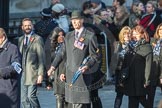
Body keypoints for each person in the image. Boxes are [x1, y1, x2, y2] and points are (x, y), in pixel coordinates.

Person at [48, 10, 100, 108]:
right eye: (73, 20)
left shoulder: (89, 35)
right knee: (72, 104)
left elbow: (95, 56)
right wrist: (53, 67)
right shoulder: (68, 36)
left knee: (81, 104)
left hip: (82, 76)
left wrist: (87, 66)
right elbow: (62, 54)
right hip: (70, 77)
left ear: (82, 20)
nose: (75, 22)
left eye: (77, 20)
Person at [18, 18, 45, 108]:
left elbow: (41, 57)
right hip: (22, 74)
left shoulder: (38, 39)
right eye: (25, 26)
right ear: (22, 27)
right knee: (23, 99)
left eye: (29, 25)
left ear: (32, 26)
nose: (27, 27)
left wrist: (40, 74)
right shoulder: (20, 39)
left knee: (31, 96)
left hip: (33, 72)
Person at [124, 25, 152, 108]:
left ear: (142, 34)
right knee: (132, 100)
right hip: (130, 78)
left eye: (136, 33)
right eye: (133, 33)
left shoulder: (147, 47)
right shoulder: (130, 46)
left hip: (140, 79)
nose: (134, 35)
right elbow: (125, 63)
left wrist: (147, 81)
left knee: (142, 99)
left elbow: (148, 66)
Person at [0, 28, 21, 108]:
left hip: (9, 90)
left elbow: (17, 67)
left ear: (3, 37)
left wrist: (1, 72)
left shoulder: (13, 48)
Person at [47, 27, 68, 108]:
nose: (61, 37)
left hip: (64, 72)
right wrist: (48, 81)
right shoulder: (52, 48)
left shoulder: (66, 46)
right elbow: (49, 63)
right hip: (55, 75)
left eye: (63, 35)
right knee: (59, 96)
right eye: (59, 35)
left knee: (65, 97)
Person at [114, 26, 131, 108]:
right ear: (122, 35)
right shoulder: (118, 45)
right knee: (119, 94)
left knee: (132, 95)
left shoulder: (134, 44)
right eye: (125, 34)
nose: (126, 36)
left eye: (128, 34)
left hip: (131, 72)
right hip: (120, 72)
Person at [148, 23, 162, 108]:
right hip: (153, 70)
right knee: (150, 95)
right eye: (160, 29)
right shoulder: (153, 41)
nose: (161, 31)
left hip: (161, 71)